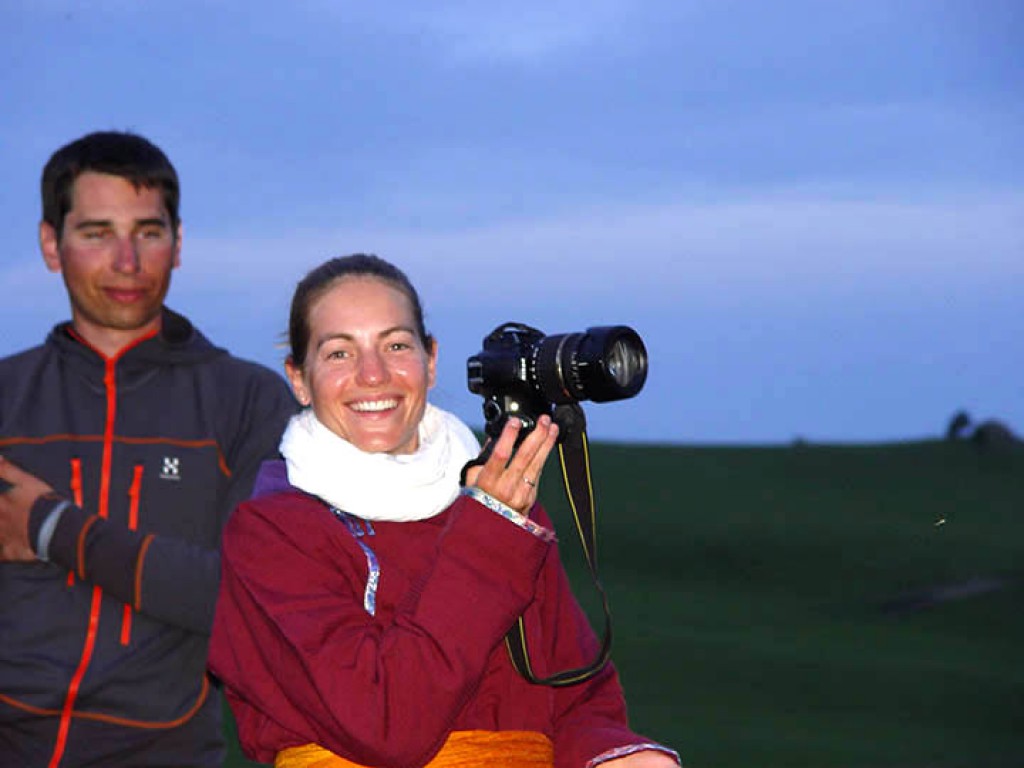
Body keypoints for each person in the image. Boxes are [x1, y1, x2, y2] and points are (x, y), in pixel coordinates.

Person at [207, 253, 680, 768]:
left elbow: (579, 698)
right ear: (298, 379)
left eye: (395, 345)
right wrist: (490, 533)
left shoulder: (503, 505)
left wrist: (612, 754)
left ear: (430, 361)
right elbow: (383, 725)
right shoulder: (273, 534)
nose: (373, 374)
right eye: (339, 353)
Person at [0, 131, 297, 767]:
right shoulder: (7, 396)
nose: (127, 261)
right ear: (51, 245)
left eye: (148, 232)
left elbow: (246, 601)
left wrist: (52, 528)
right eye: (97, 233)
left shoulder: (247, 401)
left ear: (178, 243)